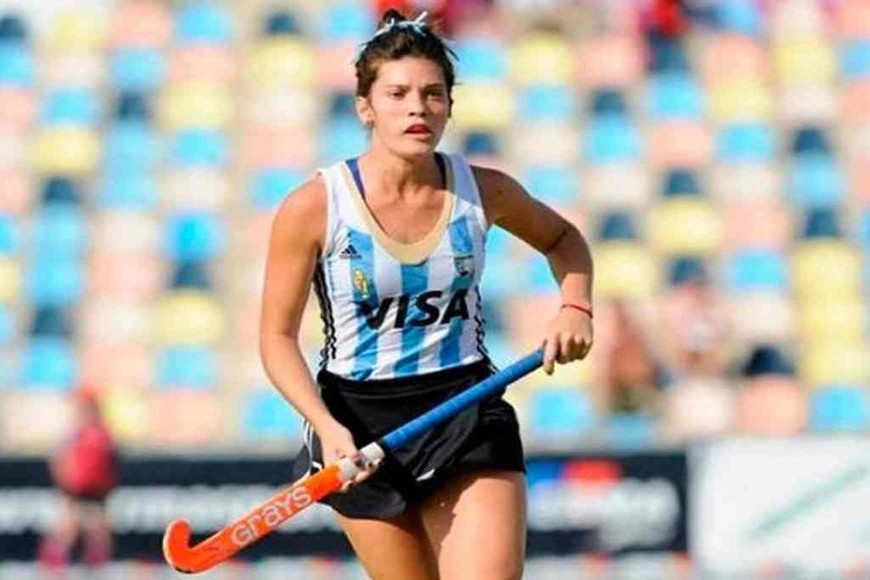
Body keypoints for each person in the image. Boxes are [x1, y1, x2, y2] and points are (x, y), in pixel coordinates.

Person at [259, 10, 594, 579]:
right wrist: (328, 427)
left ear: (449, 106)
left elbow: (564, 240)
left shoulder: (485, 191)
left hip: (465, 405)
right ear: (365, 107)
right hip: (357, 422)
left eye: (433, 94)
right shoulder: (314, 207)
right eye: (397, 94)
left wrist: (575, 305)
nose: (418, 108)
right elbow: (275, 338)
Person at [39, 387, 118, 570]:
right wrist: (65, 480)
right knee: (70, 523)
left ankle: (96, 559)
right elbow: (59, 459)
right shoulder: (73, 435)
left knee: (97, 525)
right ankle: (54, 558)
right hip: (76, 485)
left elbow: (110, 462)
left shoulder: (102, 434)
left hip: (96, 486)